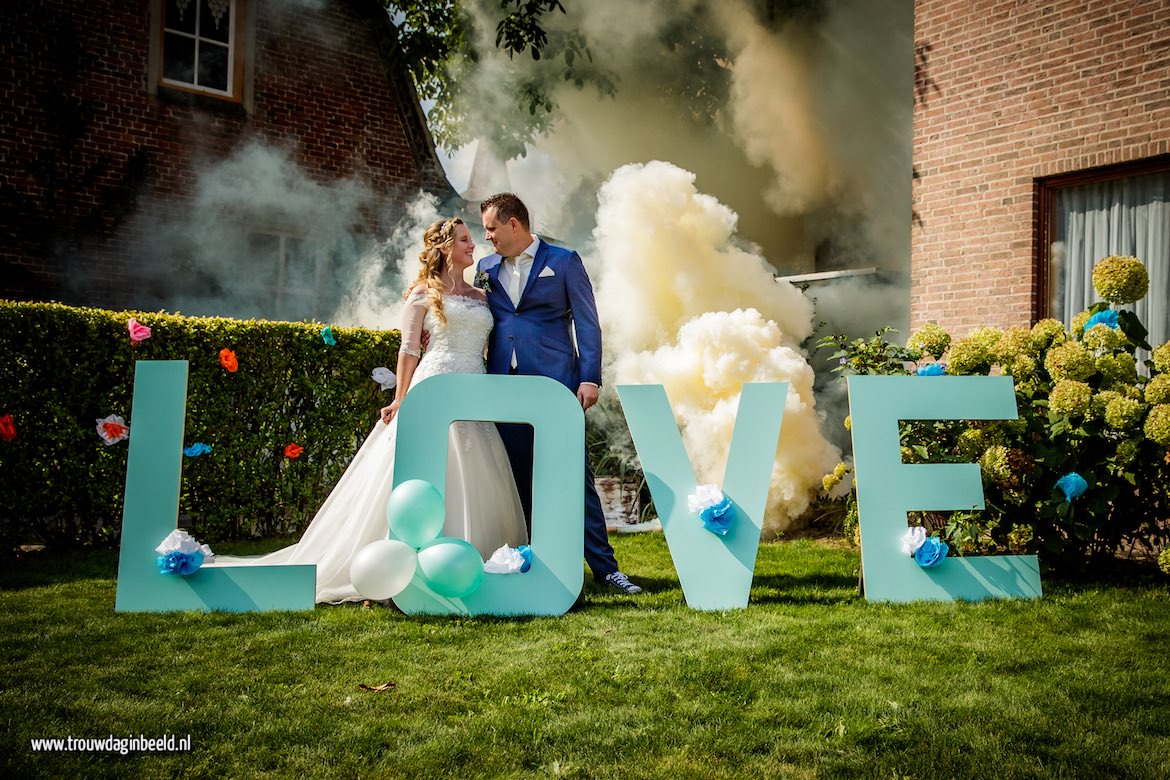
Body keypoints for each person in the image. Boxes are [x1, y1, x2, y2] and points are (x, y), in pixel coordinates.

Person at [215, 218, 527, 603]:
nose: (473, 246)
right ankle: (393, 564)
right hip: (434, 385)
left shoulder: (482, 298)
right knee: (423, 471)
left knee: (477, 471)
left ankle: (471, 557)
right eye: (465, 240)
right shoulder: (421, 295)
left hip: (472, 392)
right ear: (445, 247)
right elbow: (410, 349)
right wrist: (400, 397)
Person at [476, 192, 642, 595]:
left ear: (514, 224)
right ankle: (537, 562)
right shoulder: (484, 267)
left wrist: (590, 378)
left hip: (555, 386)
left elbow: (588, 324)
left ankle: (605, 569)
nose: (488, 238)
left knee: (574, 477)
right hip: (503, 387)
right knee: (516, 477)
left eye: (492, 229)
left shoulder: (564, 262)